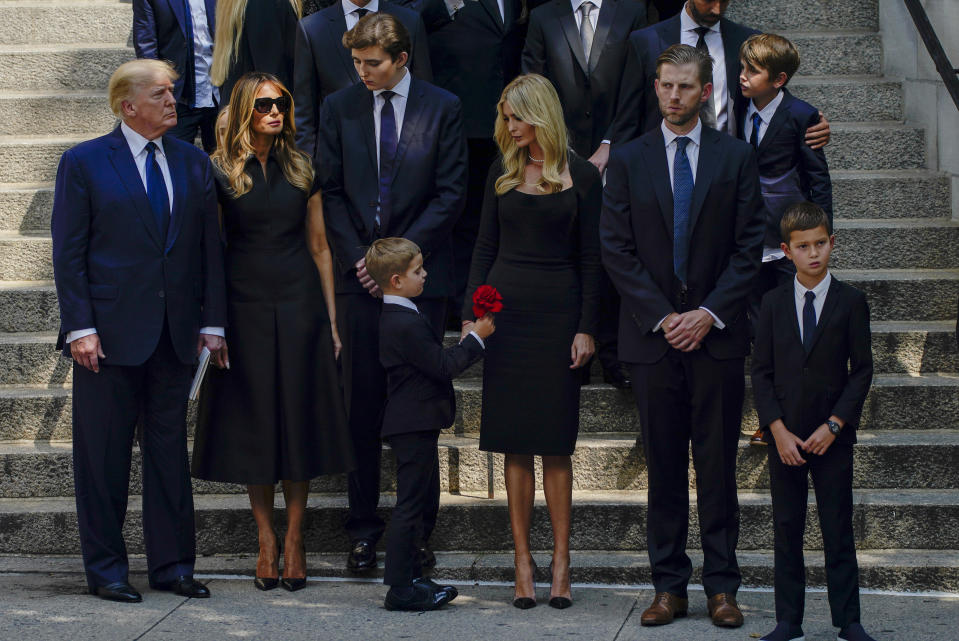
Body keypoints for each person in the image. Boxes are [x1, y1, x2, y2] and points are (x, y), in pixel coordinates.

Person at [51, 59, 227, 603]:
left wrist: (213, 322)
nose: (174, 101)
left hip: (175, 336)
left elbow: (208, 250)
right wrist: (80, 326)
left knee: (169, 455)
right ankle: (105, 570)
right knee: (103, 458)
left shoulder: (193, 161)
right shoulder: (83, 162)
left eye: (173, 92)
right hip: (105, 339)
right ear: (128, 106)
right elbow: (69, 251)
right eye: (161, 94)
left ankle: (173, 566)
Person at [599, 44, 763, 627]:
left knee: (717, 467)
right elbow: (615, 250)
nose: (673, 96)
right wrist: (666, 317)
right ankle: (668, 585)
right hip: (652, 338)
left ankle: (722, 587)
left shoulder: (736, 157)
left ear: (706, 92)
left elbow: (749, 250)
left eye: (685, 87)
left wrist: (708, 313)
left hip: (716, 338)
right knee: (663, 466)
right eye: (665, 85)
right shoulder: (629, 158)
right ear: (656, 88)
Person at [317, 12, 468, 573]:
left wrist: (399, 262)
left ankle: (416, 534)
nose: (362, 73)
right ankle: (361, 531)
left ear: (401, 59)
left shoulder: (442, 106)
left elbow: (451, 193)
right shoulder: (339, 107)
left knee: (416, 415)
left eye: (372, 63)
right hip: (359, 283)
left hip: (420, 282)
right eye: (356, 63)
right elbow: (329, 189)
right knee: (359, 407)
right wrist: (362, 259)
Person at [191, 72, 353, 592]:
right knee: (255, 422)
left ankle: (296, 538)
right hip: (242, 305)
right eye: (264, 104)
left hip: (300, 301)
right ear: (243, 109)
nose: (275, 111)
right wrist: (211, 321)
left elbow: (321, 245)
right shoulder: (218, 171)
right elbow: (208, 252)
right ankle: (265, 538)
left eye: (281, 102)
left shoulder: (303, 166)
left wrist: (331, 319)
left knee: (299, 419)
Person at [462, 73, 601, 609]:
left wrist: (587, 326)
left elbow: (592, 259)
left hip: (559, 316)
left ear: (539, 114)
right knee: (514, 445)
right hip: (506, 317)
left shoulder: (584, 176)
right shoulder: (502, 171)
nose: (509, 126)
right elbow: (482, 247)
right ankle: (522, 562)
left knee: (556, 447)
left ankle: (562, 562)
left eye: (517, 116)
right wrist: (475, 315)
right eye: (505, 117)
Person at [751, 202, 875, 641]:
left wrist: (837, 423)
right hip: (786, 437)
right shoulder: (771, 303)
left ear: (832, 243)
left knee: (837, 526)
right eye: (804, 246)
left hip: (831, 438)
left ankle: (849, 620)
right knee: (787, 527)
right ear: (787, 251)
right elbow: (761, 372)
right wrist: (776, 429)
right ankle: (789, 620)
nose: (814, 253)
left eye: (820, 243)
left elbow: (862, 369)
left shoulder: (851, 302)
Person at [521, 0, 647, 389]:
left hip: (619, 151)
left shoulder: (633, 12)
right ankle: (566, 351)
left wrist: (611, 144)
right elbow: (533, 85)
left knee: (614, 249)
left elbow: (638, 85)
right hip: (560, 154)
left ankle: (611, 354)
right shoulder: (544, 16)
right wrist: (559, 150)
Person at [366, 237, 492, 611]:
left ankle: (413, 577)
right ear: (396, 281)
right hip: (412, 422)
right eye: (418, 271)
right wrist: (475, 339)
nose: (425, 275)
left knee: (419, 501)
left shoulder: (404, 314)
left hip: (416, 421)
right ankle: (401, 588)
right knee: (410, 504)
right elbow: (444, 366)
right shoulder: (403, 322)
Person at [737, 33, 832, 446]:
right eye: (741, 68)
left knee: (786, 333)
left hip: (782, 240)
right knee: (758, 332)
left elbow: (817, 180)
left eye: (751, 72)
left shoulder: (801, 115)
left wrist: (818, 238)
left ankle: (791, 420)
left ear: (777, 79)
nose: (741, 77)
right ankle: (769, 417)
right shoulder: (736, 109)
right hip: (744, 237)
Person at [417, 0, 526, 326]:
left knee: (496, 217)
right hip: (457, 120)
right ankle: (457, 306)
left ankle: (485, 301)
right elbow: (405, 17)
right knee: (458, 217)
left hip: (507, 123)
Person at [620, 0, 831, 149]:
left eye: (725, 1)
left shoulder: (747, 39)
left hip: (729, 167)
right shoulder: (645, 41)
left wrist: (808, 120)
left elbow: (772, 97)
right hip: (665, 163)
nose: (717, 8)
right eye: (709, 0)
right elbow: (628, 115)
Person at [293, 0, 433, 160]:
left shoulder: (410, 20)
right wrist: (306, 170)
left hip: (401, 152)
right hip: (339, 157)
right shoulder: (311, 28)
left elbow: (424, 97)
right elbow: (304, 111)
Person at [133, 0, 219, 151]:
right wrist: (159, 91)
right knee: (174, 166)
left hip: (219, 94)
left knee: (226, 168)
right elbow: (146, 45)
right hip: (177, 99)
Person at [209, 0, 300, 105]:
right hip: (262, 109)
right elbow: (270, 73)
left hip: (244, 106)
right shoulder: (264, 3)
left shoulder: (237, 4)